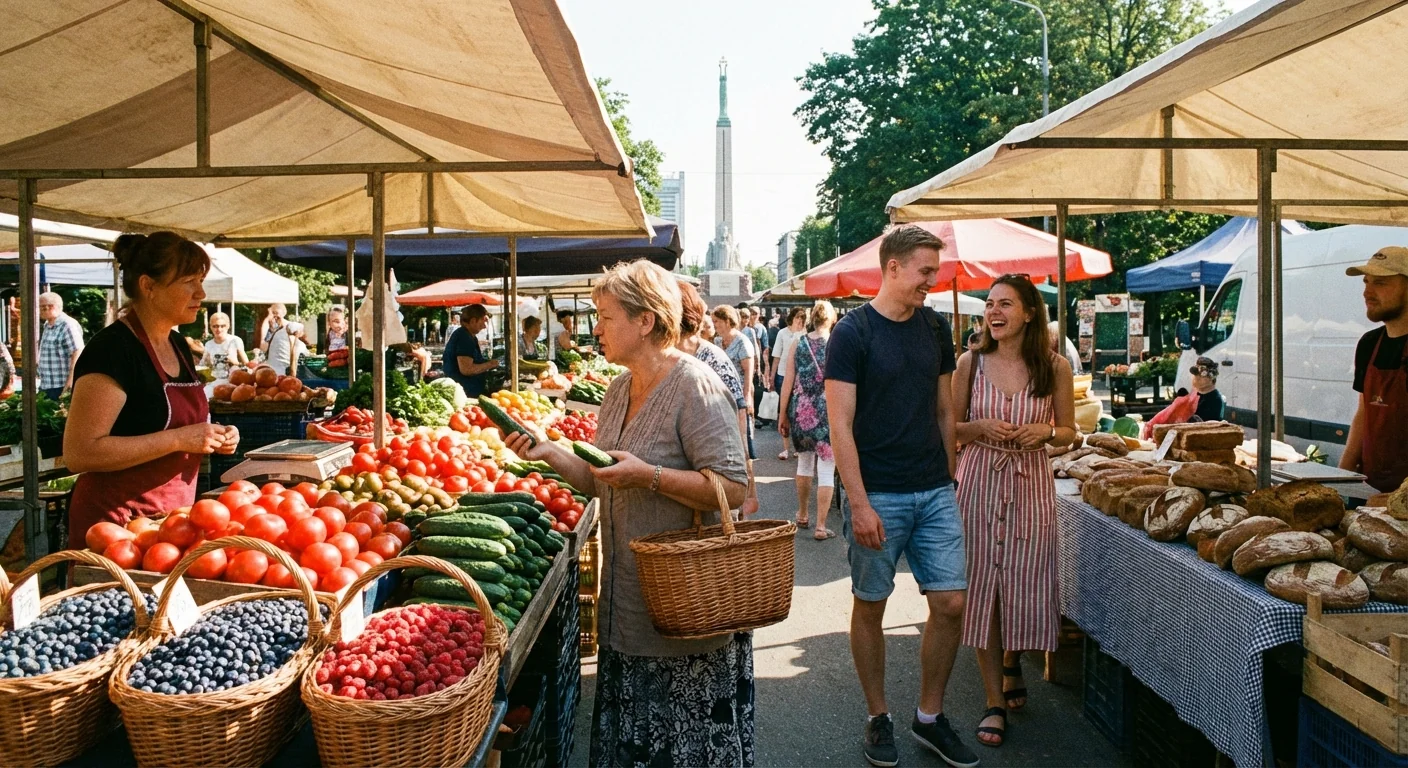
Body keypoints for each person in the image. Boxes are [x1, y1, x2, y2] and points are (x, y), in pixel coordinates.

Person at [501, 260, 752, 767]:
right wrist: (549, 452)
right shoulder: (618, 390)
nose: (595, 328)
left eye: (606, 316)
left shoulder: (694, 387)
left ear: (645, 321)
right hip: (629, 608)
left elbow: (734, 486)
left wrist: (651, 476)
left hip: (683, 613)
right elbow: (602, 482)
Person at [825, 225, 977, 768]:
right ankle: (878, 716)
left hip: (934, 489)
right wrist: (858, 503)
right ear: (892, 268)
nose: (931, 283)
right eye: (924, 272)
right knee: (872, 604)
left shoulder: (935, 327)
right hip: (879, 492)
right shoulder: (852, 333)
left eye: (933, 272)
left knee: (951, 603)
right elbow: (839, 426)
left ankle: (930, 717)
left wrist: (950, 477)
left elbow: (944, 410)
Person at [953, 275, 1077, 748]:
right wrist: (979, 426)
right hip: (980, 483)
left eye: (1005, 304)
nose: (993, 312)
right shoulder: (970, 362)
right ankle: (992, 700)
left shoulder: (1055, 367)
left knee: (1023, 583)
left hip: (1030, 485)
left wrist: (1044, 434)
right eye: (989, 304)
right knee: (983, 587)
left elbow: (1069, 432)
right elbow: (950, 429)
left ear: (1029, 312)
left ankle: (1011, 660)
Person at [64, 232, 239, 548]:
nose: (201, 292)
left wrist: (215, 436)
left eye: (201, 280)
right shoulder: (114, 350)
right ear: (148, 286)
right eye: (189, 281)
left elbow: (180, 427)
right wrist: (178, 439)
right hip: (116, 526)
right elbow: (80, 452)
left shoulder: (178, 346)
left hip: (171, 522)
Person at [677, 282, 758, 519]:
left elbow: (737, 409)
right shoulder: (682, 354)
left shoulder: (712, 358)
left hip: (717, 468)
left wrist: (742, 476)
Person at [1341, 246, 1408, 493]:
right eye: (1366, 282)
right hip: (1369, 489)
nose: (1367, 292)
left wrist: (1398, 499)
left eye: (1380, 283)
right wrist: (1342, 481)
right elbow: (1363, 414)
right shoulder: (1369, 344)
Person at [779, 300, 838, 539]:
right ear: (832, 319)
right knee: (826, 468)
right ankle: (821, 526)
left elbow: (788, 381)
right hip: (828, 409)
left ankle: (802, 514)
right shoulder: (835, 343)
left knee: (804, 463)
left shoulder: (798, 342)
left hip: (802, 409)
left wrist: (782, 413)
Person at [713, 305, 757, 460]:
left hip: (738, 396)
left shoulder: (742, 342)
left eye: (717, 321)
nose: (714, 325)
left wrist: (747, 398)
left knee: (741, 439)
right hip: (720, 396)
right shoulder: (717, 341)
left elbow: (748, 373)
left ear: (727, 321)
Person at [771, 307, 809, 460]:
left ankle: (798, 447)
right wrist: (771, 376)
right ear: (792, 318)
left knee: (799, 412)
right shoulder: (782, 333)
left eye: (802, 318)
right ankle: (786, 448)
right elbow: (777, 356)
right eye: (798, 317)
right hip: (782, 374)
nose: (800, 320)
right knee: (784, 409)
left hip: (799, 377)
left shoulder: (805, 335)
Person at [443, 304, 499, 396]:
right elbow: (466, 369)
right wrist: (490, 364)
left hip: (469, 390)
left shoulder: (469, 336)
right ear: (473, 321)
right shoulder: (464, 338)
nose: (485, 326)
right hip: (465, 393)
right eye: (483, 321)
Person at [38, 291, 85, 400]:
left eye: (41, 308)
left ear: (51, 307)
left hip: (61, 385)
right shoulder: (48, 324)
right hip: (47, 384)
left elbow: (78, 351)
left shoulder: (67, 324)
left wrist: (71, 380)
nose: (39, 311)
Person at [200, 311, 247, 381]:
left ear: (228, 326)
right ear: (210, 327)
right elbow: (202, 366)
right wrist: (207, 363)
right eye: (215, 326)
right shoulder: (208, 344)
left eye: (222, 326)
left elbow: (247, 365)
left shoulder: (235, 340)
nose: (219, 329)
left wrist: (235, 363)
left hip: (234, 379)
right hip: (214, 380)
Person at [259, 303, 296, 375]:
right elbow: (263, 347)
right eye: (271, 313)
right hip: (273, 370)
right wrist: (267, 320)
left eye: (276, 313)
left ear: (283, 313)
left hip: (286, 368)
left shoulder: (290, 327)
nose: (273, 316)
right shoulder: (270, 330)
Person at [1189, 356, 1225, 421]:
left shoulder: (1215, 400)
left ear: (1211, 377)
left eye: (1201, 375)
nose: (1197, 377)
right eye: (1195, 374)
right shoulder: (1194, 396)